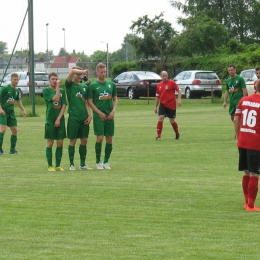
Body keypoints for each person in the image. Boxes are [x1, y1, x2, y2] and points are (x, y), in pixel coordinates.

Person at [234, 80, 260, 211]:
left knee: (246, 172)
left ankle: (246, 201)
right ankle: (251, 205)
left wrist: (239, 136)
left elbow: (236, 119)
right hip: (255, 142)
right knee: (255, 173)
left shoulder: (243, 100)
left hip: (243, 140)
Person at [88, 63, 118, 170]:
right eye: (101, 72)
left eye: (104, 71)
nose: (103, 73)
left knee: (109, 138)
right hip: (98, 116)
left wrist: (113, 111)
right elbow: (90, 102)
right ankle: (97, 161)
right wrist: (99, 113)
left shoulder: (111, 84)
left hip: (110, 115)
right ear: (97, 72)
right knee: (100, 138)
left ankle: (106, 161)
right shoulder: (93, 86)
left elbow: (115, 99)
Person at [65, 66, 92, 171]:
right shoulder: (70, 85)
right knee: (73, 140)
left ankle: (83, 164)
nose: (80, 75)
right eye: (78, 73)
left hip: (84, 116)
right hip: (74, 116)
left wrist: (89, 115)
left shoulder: (84, 87)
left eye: (81, 74)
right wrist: (84, 71)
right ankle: (71, 164)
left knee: (84, 140)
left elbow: (86, 102)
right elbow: (72, 71)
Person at [42, 72, 67, 172]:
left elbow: (64, 105)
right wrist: (57, 87)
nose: (54, 81)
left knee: (60, 142)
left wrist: (58, 119)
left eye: (56, 79)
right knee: (50, 142)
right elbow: (55, 99)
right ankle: (50, 166)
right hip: (50, 119)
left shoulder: (62, 91)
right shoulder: (46, 91)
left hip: (60, 119)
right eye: (52, 79)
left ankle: (58, 165)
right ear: (49, 80)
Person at [0, 72, 26, 154]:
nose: (16, 81)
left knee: (14, 130)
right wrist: (0, 109)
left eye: (17, 79)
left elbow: (18, 101)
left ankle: (12, 150)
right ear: (11, 80)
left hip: (11, 112)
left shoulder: (17, 90)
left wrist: (23, 110)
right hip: (3, 112)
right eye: (14, 79)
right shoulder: (5, 88)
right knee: (3, 129)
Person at [154, 70, 182, 140]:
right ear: (161, 76)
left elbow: (179, 90)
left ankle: (177, 133)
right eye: (163, 76)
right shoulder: (159, 85)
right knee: (161, 118)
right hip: (163, 104)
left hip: (171, 104)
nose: (165, 77)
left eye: (166, 75)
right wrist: (156, 107)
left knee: (172, 121)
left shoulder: (171, 83)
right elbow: (157, 97)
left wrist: (179, 99)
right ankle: (159, 136)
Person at [223, 64, 247, 138]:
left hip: (238, 102)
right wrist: (225, 101)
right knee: (232, 118)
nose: (230, 72)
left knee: (237, 119)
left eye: (232, 70)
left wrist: (244, 100)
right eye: (229, 70)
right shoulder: (228, 80)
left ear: (235, 70)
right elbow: (227, 91)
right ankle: (238, 131)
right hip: (232, 102)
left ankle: (238, 134)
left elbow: (244, 89)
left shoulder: (240, 79)